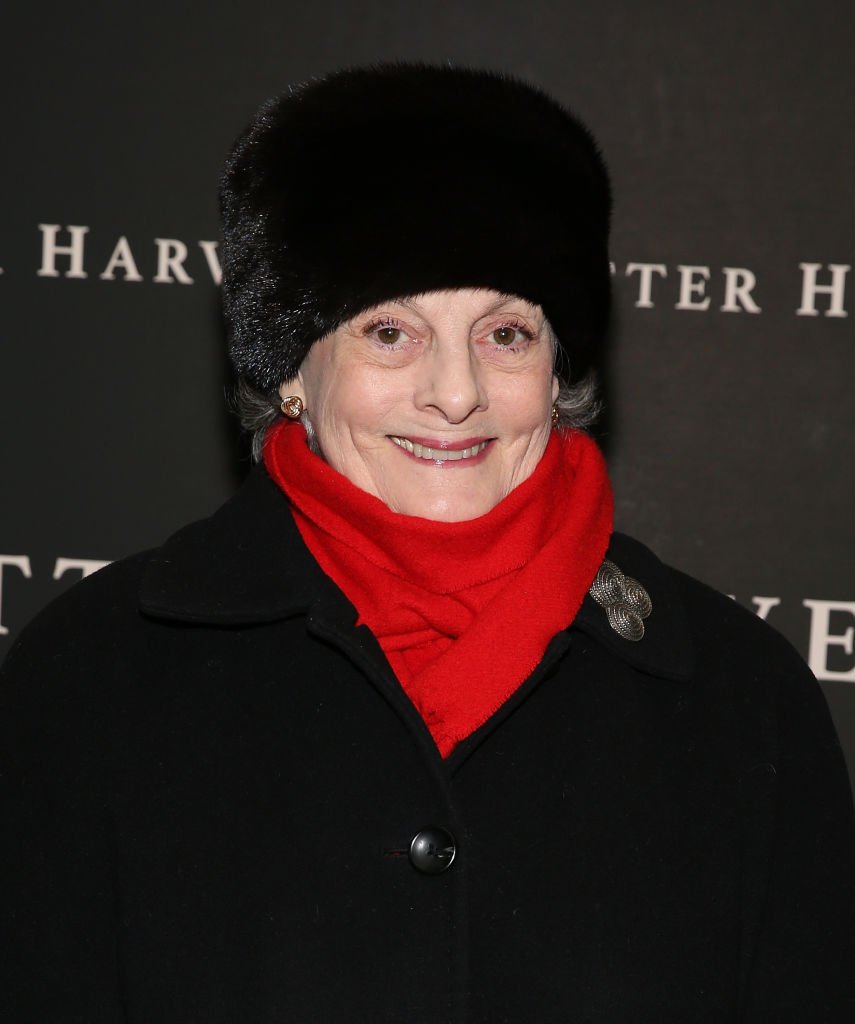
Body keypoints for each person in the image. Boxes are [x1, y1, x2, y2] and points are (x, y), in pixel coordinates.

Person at [1, 64, 854, 1023]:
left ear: (556, 368)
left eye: (503, 333)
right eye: (390, 332)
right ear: (290, 370)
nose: (455, 393)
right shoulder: (88, 680)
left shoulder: (742, 703)